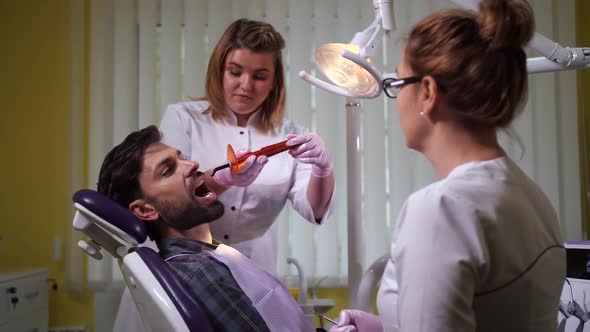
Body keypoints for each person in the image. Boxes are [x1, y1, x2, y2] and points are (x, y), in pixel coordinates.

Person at [332, 0, 565, 331]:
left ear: (427, 91)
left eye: (397, 84)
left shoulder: (441, 210)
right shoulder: (535, 200)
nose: (395, 100)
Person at [114, 18, 336, 332]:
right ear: (219, 70)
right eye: (235, 72)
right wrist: (222, 180)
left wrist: (323, 169)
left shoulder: (290, 137)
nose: (246, 85)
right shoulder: (184, 118)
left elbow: (313, 208)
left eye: (260, 76)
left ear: (275, 81)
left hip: (249, 270)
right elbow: (167, 192)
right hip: (179, 269)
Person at [98, 125, 316, 332]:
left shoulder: (207, 255)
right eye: (167, 170)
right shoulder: (199, 272)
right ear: (146, 211)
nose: (192, 164)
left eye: (181, 157)